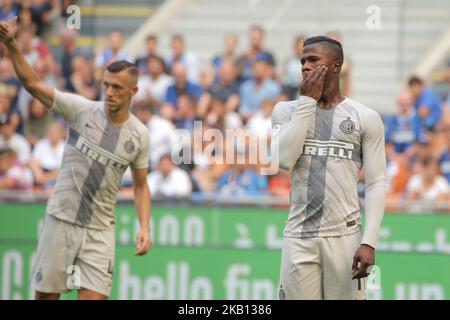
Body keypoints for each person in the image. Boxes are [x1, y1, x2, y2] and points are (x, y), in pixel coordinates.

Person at [0, 17, 152, 300]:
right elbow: (33, 84)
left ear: (134, 92)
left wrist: (145, 226)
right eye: (106, 85)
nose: (109, 92)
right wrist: (11, 45)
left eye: (117, 87)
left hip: (100, 230)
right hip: (62, 219)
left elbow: (141, 185)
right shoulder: (80, 110)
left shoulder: (140, 135)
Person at [271, 36, 386, 300]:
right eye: (303, 61)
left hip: (344, 236)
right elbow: (284, 160)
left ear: (336, 66)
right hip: (298, 234)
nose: (305, 67)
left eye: (313, 60)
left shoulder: (365, 117)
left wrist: (369, 241)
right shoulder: (285, 111)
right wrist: (307, 103)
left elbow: (376, 181)